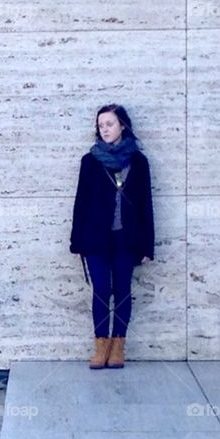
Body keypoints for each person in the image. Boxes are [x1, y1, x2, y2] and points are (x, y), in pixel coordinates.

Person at [70, 104, 155, 369]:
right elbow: (80, 202)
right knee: (101, 291)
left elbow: (146, 205)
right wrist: (77, 242)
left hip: (126, 239)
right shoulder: (90, 161)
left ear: (122, 126)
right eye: (100, 125)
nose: (104, 129)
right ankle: (100, 346)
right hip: (96, 239)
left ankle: (118, 346)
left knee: (122, 291)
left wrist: (147, 245)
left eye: (109, 124)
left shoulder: (138, 162)